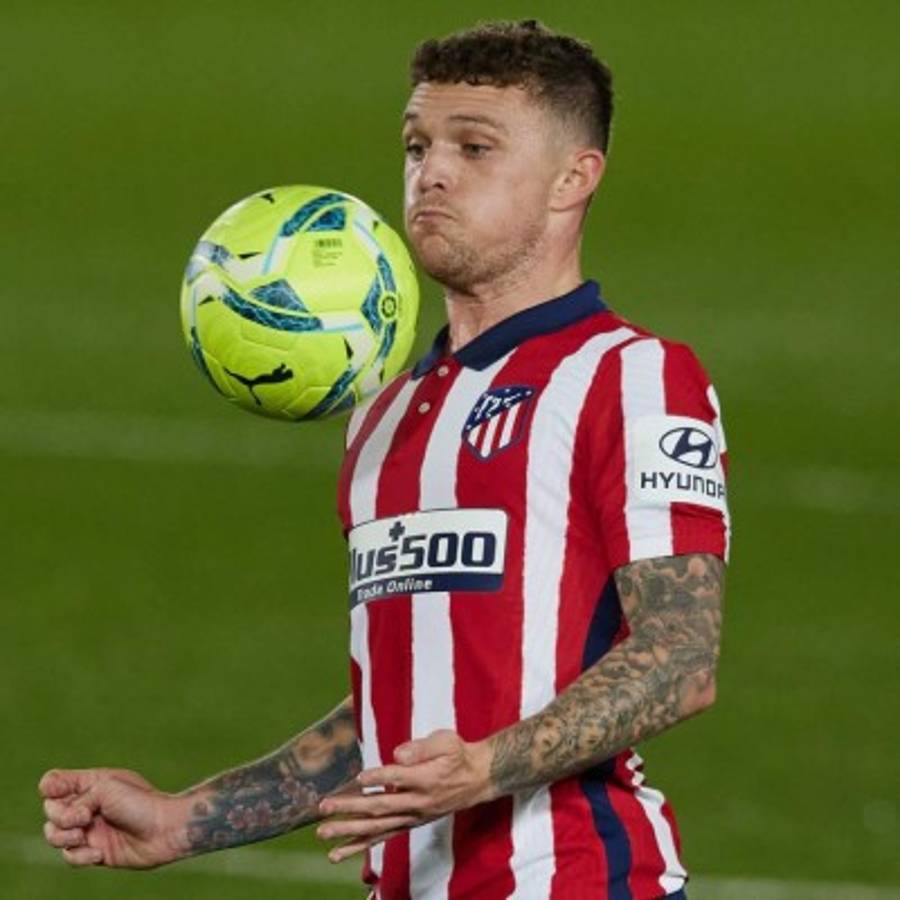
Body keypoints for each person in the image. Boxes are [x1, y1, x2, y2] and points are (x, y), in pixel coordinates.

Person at [40, 20, 729, 900]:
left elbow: (679, 656)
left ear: (574, 178)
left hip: (581, 881)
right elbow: (398, 708)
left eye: (474, 148)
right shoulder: (385, 415)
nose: (432, 173)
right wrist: (186, 819)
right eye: (417, 146)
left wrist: (487, 767)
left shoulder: (631, 376)